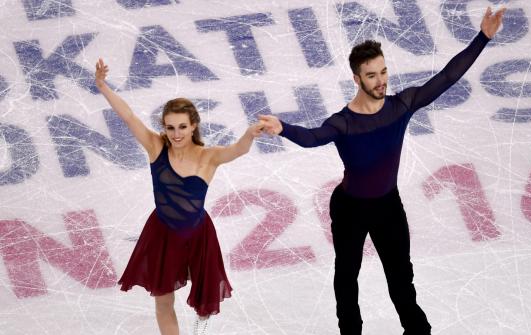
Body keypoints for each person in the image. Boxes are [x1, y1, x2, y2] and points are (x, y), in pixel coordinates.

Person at [259, 7, 505, 335]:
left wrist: (483, 38)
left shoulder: (401, 106)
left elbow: (447, 77)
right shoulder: (344, 123)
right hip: (349, 209)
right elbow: (313, 137)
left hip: (388, 206)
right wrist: (283, 128)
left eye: (384, 72)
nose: (381, 81)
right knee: (346, 276)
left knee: (401, 278)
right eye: (372, 75)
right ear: (356, 78)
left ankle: (418, 331)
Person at [95, 59, 263, 335]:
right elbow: (129, 117)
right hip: (162, 233)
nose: (176, 134)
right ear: (164, 127)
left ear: (193, 125)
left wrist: (248, 134)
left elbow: (237, 150)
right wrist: (103, 86)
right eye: (170, 127)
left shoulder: (208, 157)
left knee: (204, 304)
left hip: (198, 234)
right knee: (163, 301)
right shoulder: (156, 147)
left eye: (182, 127)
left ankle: (202, 320)